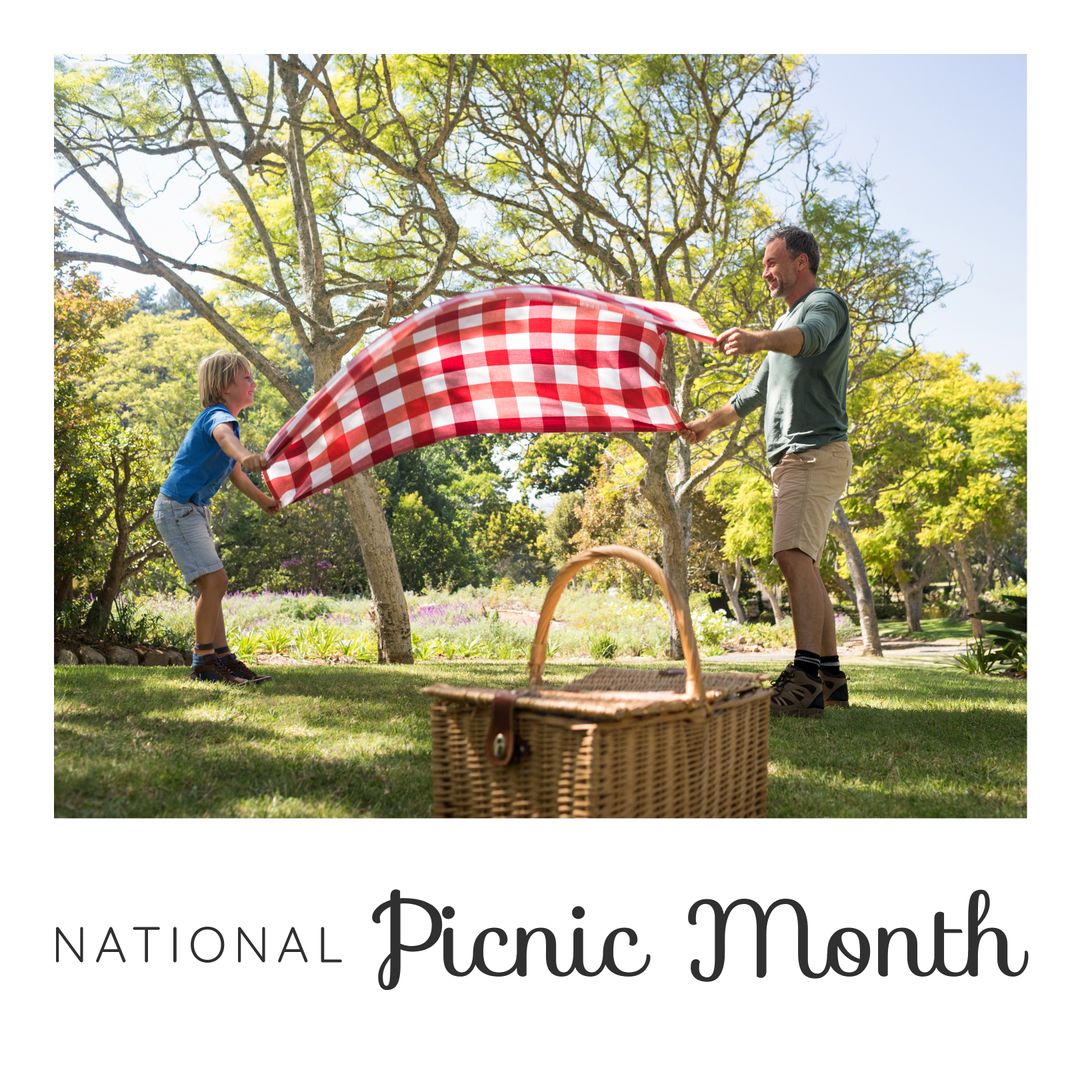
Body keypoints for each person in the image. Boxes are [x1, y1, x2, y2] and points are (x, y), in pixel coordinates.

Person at [683, 225, 852, 717]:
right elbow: (754, 391)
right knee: (804, 562)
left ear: (802, 261)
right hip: (797, 456)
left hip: (812, 451)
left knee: (792, 554)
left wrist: (759, 337)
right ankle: (829, 676)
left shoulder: (823, 305)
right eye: (764, 266)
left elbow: (810, 339)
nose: (766, 273)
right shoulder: (785, 326)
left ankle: (803, 680)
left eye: (773, 262)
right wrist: (708, 424)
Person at [153, 350, 279, 684]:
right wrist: (246, 453)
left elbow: (235, 472)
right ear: (225, 387)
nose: (253, 383)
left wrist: (264, 500)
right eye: (246, 378)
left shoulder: (226, 420)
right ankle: (203, 662)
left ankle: (221, 658)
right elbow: (227, 443)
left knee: (212, 586)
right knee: (215, 582)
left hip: (192, 510)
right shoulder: (217, 417)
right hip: (178, 508)